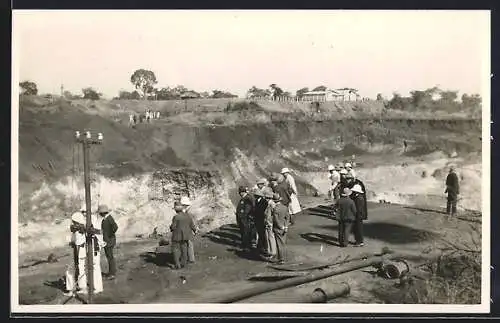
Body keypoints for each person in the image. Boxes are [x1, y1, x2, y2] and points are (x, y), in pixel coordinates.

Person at [65, 205, 104, 295]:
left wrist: (87, 230)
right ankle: (83, 287)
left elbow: (97, 232)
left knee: (95, 266)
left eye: (85, 212)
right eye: (83, 212)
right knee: (82, 266)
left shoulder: (93, 219)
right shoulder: (82, 221)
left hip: (94, 245)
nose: (84, 214)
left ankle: (97, 287)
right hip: (85, 246)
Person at [170, 197, 197, 269]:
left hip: (177, 236)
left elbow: (173, 227)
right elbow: (192, 225)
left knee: (175, 249)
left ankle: (177, 264)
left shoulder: (176, 217)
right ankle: (183, 263)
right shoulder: (188, 216)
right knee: (184, 248)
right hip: (186, 236)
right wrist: (195, 230)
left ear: (176, 210)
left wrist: (171, 228)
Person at [98, 204, 118, 280]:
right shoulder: (106, 219)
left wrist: (109, 235)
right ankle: (111, 272)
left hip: (109, 241)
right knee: (109, 257)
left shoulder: (109, 219)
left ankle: (112, 273)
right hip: (108, 241)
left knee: (110, 257)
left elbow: (115, 228)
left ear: (103, 212)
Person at [271, 193, 290, 264]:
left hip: (278, 229)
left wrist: (280, 227)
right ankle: (283, 257)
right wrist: (286, 226)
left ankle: (281, 259)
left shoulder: (275, 209)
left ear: (274, 201)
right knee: (283, 243)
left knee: (279, 244)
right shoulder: (285, 207)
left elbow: (276, 220)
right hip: (285, 228)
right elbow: (287, 218)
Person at [235, 186, 255, 250]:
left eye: (240, 192)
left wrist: (242, 216)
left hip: (245, 219)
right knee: (243, 231)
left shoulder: (247, 199)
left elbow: (247, 210)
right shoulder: (244, 198)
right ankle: (244, 244)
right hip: (242, 218)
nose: (239, 194)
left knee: (246, 232)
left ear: (242, 192)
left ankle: (246, 246)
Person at [253, 184, 269, 255]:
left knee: (262, 233)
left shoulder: (263, 202)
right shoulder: (257, 201)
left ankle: (263, 246)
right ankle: (260, 246)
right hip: (257, 219)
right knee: (260, 233)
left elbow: (262, 211)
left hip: (261, 219)